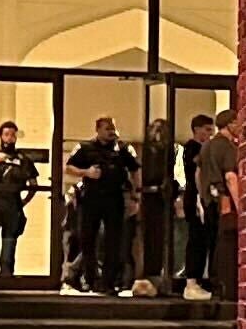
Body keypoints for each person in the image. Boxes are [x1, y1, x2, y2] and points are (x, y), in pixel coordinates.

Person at [65, 116, 135, 293]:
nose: (111, 131)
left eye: (113, 128)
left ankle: (108, 282)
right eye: (107, 128)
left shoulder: (122, 149)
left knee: (113, 242)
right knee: (87, 240)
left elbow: (135, 169)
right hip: (91, 199)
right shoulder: (85, 148)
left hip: (114, 199)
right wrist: (86, 172)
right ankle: (90, 279)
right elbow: (68, 167)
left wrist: (136, 195)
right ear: (98, 130)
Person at [185, 107, 237, 301]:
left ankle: (207, 282)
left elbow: (199, 174)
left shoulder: (206, 146)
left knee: (211, 240)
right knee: (220, 242)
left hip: (207, 199)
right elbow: (231, 177)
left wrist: (203, 195)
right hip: (222, 200)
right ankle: (220, 283)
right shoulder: (225, 147)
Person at [0, 119, 43, 280]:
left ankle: (6, 274)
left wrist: (24, 201)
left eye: (12, 135)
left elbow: (33, 183)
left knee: (9, 240)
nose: (9, 138)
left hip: (12, 205)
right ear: (0, 136)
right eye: (6, 134)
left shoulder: (23, 159)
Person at [137, 115, 178, 296]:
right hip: (149, 197)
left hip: (165, 198)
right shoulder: (144, 151)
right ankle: (150, 274)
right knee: (150, 237)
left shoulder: (173, 151)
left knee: (166, 237)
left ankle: (165, 276)